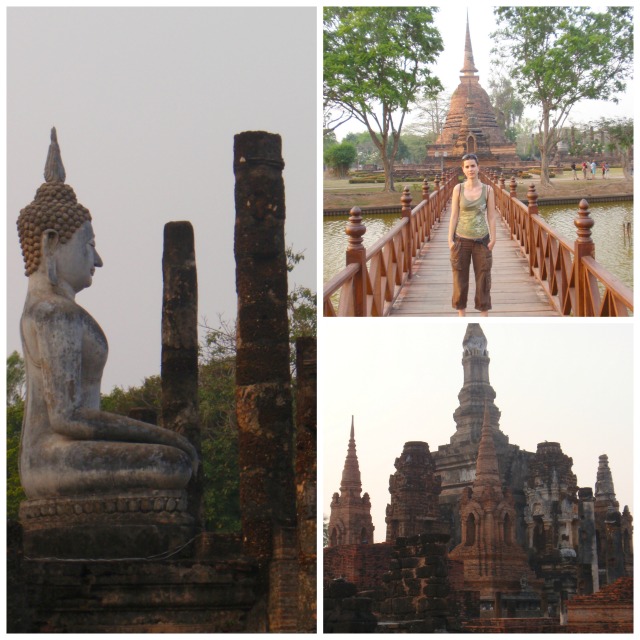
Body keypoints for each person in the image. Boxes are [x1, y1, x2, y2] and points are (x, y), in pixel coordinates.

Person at [16, 129, 198, 499]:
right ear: (51, 243)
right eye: (89, 244)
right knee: (171, 462)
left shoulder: (54, 310)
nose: (96, 258)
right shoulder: (54, 312)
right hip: (53, 457)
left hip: (65, 454)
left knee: (172, 460)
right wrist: (164, 435)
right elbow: (67, 417)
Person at [448, 153, 496, 317]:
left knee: (483, 278)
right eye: (467, 166)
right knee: (460, 279)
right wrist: (450, 240)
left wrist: (493, 238)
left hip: (482, 241)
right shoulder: (458, 189)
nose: (470, 169)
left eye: (473, 166)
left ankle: (484, 318)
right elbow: (454, 215)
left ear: (478, 167)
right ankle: (462, 317)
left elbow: (491, 216)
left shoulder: (488, 190)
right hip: (461, 240)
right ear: (463, 169)